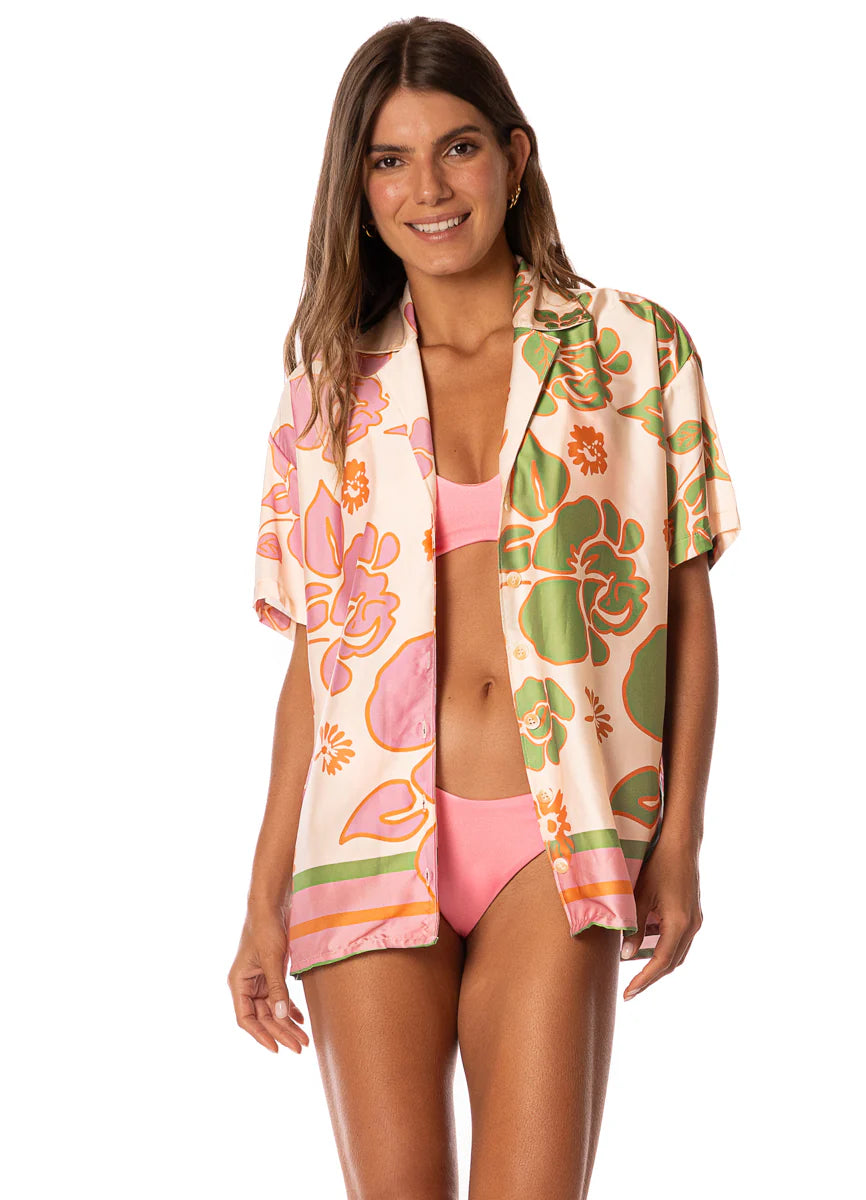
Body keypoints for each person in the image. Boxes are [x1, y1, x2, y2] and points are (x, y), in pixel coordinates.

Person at [228, 16, 741, 1199]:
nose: (428, 187)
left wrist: (679, 842)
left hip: (556, 837)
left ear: (513, 157)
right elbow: (316, 667)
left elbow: (683, 607)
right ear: (357, 190)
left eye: (456, 148)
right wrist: (260, 898)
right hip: (362, 840)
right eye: (389, 160)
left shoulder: (630, 351)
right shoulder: (324, 393)